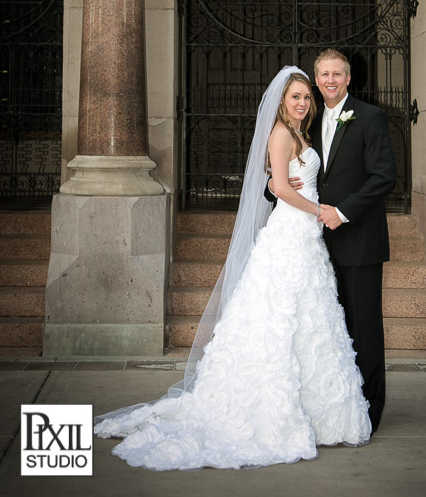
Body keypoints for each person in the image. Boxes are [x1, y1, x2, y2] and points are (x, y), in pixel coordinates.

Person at [94, 66, 371, 470]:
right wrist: (318, 211)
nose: (302, 102)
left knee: (310, 318)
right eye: (296, 96)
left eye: (306, 97)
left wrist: (315, 206)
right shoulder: (280, 133)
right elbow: (277, 187)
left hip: (307, 238)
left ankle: (321, 413)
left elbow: (287, 180)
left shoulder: (299, 135)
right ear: (281, 101)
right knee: (277, 316)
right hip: (291, 231)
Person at [267, 49, 396, 431]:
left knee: (364, 327)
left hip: (358, 239)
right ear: (316, 78)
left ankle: (369, 412)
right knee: (327, 331)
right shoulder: (308, 119)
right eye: (323, 74)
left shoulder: (370, 117)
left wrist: (341, 212)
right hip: (316, 244)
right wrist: (275, 186)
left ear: (348, 78)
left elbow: (383, 177)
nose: (329, 81)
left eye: (337, 74)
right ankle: (335, 406)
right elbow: (287, 171)